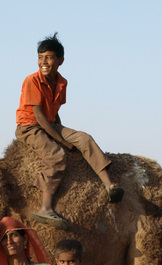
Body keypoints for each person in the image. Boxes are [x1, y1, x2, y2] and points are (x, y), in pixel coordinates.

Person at [15, 33, 123, 229]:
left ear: (60, 60)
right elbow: (38, 116)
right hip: (29, 126)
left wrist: (65, 133)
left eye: (48, 57)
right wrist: (62, 141)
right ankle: (45, 207)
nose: (43, 62)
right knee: (56, 155)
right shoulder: (32, 80)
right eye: (40, 57)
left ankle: (109, 185)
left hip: (51, 123)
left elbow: (54, 114)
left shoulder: (62, 83)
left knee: (84, 138)